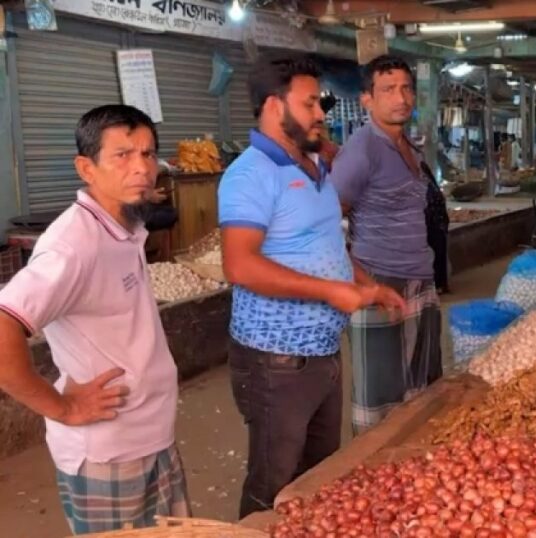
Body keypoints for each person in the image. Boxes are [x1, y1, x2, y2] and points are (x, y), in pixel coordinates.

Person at [218, 53, 404, 518]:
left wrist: (366, 284)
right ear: (272, 106)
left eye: (319, 103)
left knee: (318, 478)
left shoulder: (315, 166)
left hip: (322, 355)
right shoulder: (250, 175)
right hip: (275, 361)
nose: (321, 113)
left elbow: (326, 246)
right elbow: (239, 266)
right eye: (309, 104)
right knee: (272, 484)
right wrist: (331, 292)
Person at [0, 105, 189, 534]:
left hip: (149, 436)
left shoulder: (124, 227)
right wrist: (61, 406)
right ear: (86, 168)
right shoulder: (74, 245)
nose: (141, 168)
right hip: (108, 453)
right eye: (122, 155)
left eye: (148, 153)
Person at [329, 55, 445, 434]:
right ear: (366, 99)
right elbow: (324, 226)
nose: (401, 98)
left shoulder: (407, 145)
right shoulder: (361, 150)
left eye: (407, 88)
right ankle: (372, 469)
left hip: (419, 280)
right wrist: (364, 283)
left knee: (423, 394)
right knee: (379, 404)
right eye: (389, 90)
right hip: (378, 281)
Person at [421, 161, 450, 294]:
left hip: (433, 222)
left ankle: (438, 284)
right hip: (435, 222)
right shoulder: (430, 184)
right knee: (439, 254)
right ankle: (439, 284)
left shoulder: (425, 184)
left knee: (438, 254)